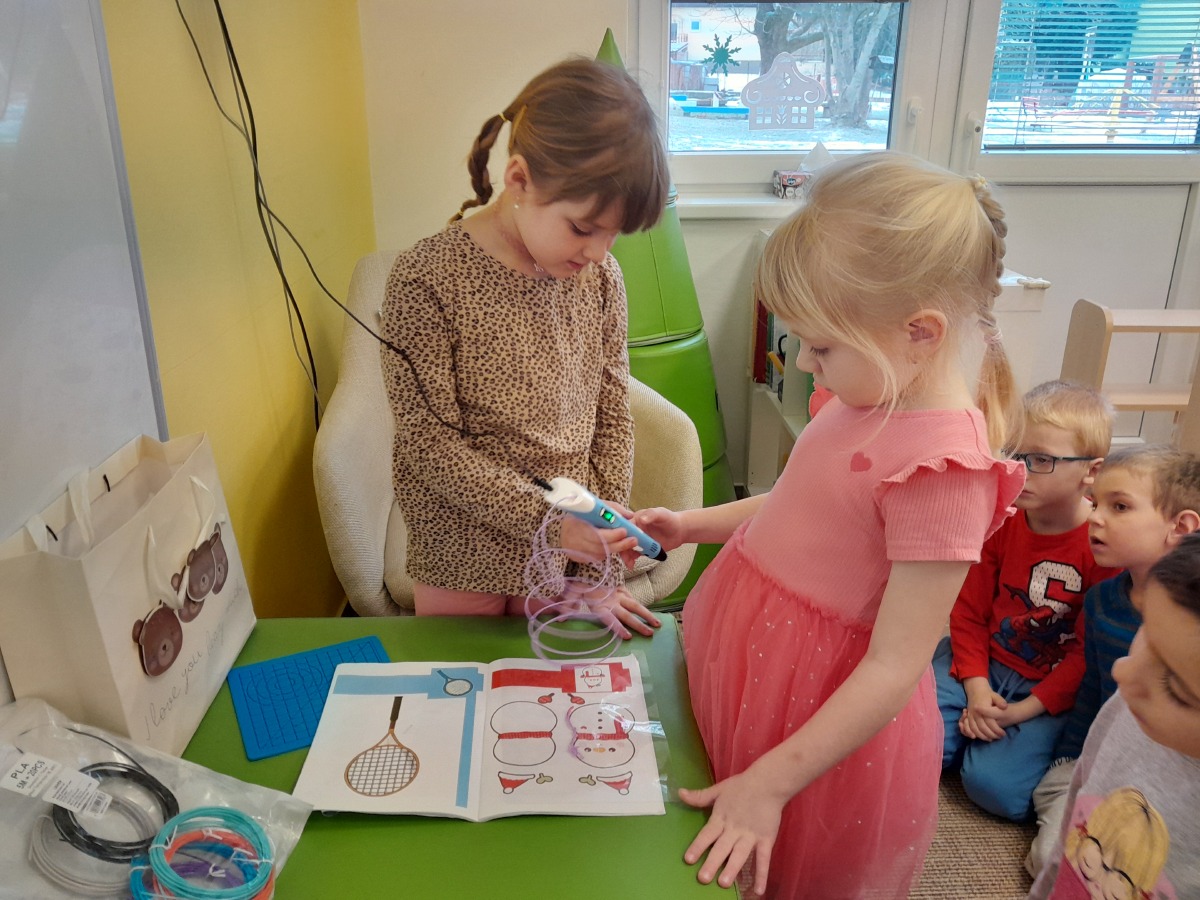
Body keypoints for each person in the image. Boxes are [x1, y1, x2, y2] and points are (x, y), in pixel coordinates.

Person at [631, 151, 1026, 899]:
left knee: (794, 865)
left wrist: (771, 784)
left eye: (821, 346)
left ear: (919, 333)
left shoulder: (943, 473)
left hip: (816, 704)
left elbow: (895, 667)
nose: (807, 364)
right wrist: (686, 525)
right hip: (754, 656)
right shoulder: (863, 395)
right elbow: (797, 506)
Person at [378, 58, 670, 635]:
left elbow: (612, 416)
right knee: (465, 677)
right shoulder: (425, 280)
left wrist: (604, 547)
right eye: (583, 228)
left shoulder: (601, 279)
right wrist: (550, 522)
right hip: (462, 549)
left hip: (569, 550)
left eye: (614, 234)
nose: (599, 252)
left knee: (557, 682)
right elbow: (428, 445)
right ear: (519, 180)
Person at [932, 380, 1120, 822]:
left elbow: (1086, 654)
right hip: (981, 662)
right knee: (909, 742)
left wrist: (1022, 711)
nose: (1020, 469)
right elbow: (969, 613)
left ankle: (980, 737)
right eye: (1013, 452)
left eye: (1041, 460)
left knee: (995, 791)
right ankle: (969, 728)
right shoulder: (1002, 519)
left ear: (1091, 471)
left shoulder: (1104, 546)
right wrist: (977, 687)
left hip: (1045, 688)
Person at [1025, 445, 1200, 876]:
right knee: (1051, 857)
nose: (1095, 518)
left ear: (1180, 527)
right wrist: (1069, 760)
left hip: (1167, 776)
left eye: (1119, 506)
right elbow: (1093, 685)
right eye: (1095, 502)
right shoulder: (1102, 598)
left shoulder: (1187, 627)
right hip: (1101, 755)